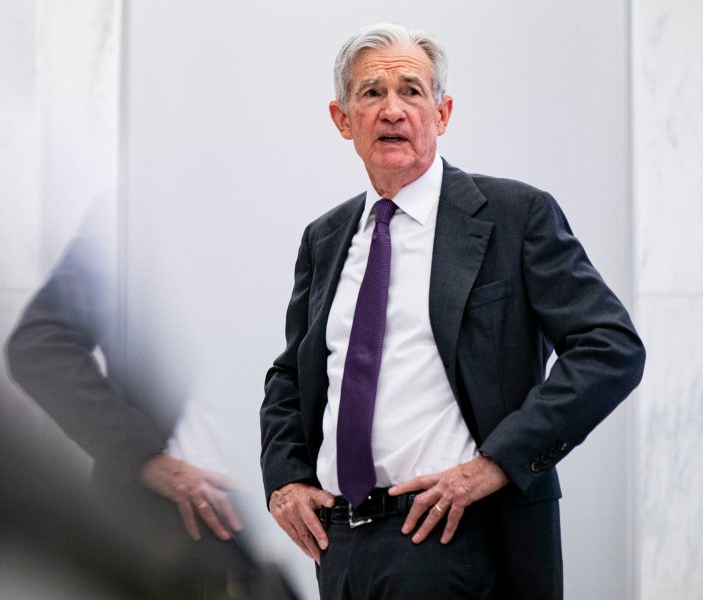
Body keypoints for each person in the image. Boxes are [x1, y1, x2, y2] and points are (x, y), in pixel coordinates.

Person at [259, 23, 645, 599]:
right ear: (343, 120)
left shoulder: (515, 216)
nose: (393, 110)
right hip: (341, 548)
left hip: (457, 537)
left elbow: (610, 347)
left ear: (442, 113)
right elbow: (292, 374)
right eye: (372, 93)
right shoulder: (325, 237)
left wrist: (496, 463)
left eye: (411, 91)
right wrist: (285, 479)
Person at [8, 200, 295, 599]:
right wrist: (143, 455)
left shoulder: (325, 212)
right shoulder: (138, 211)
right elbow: (39, 347)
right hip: (180, 535)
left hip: (309, 532)